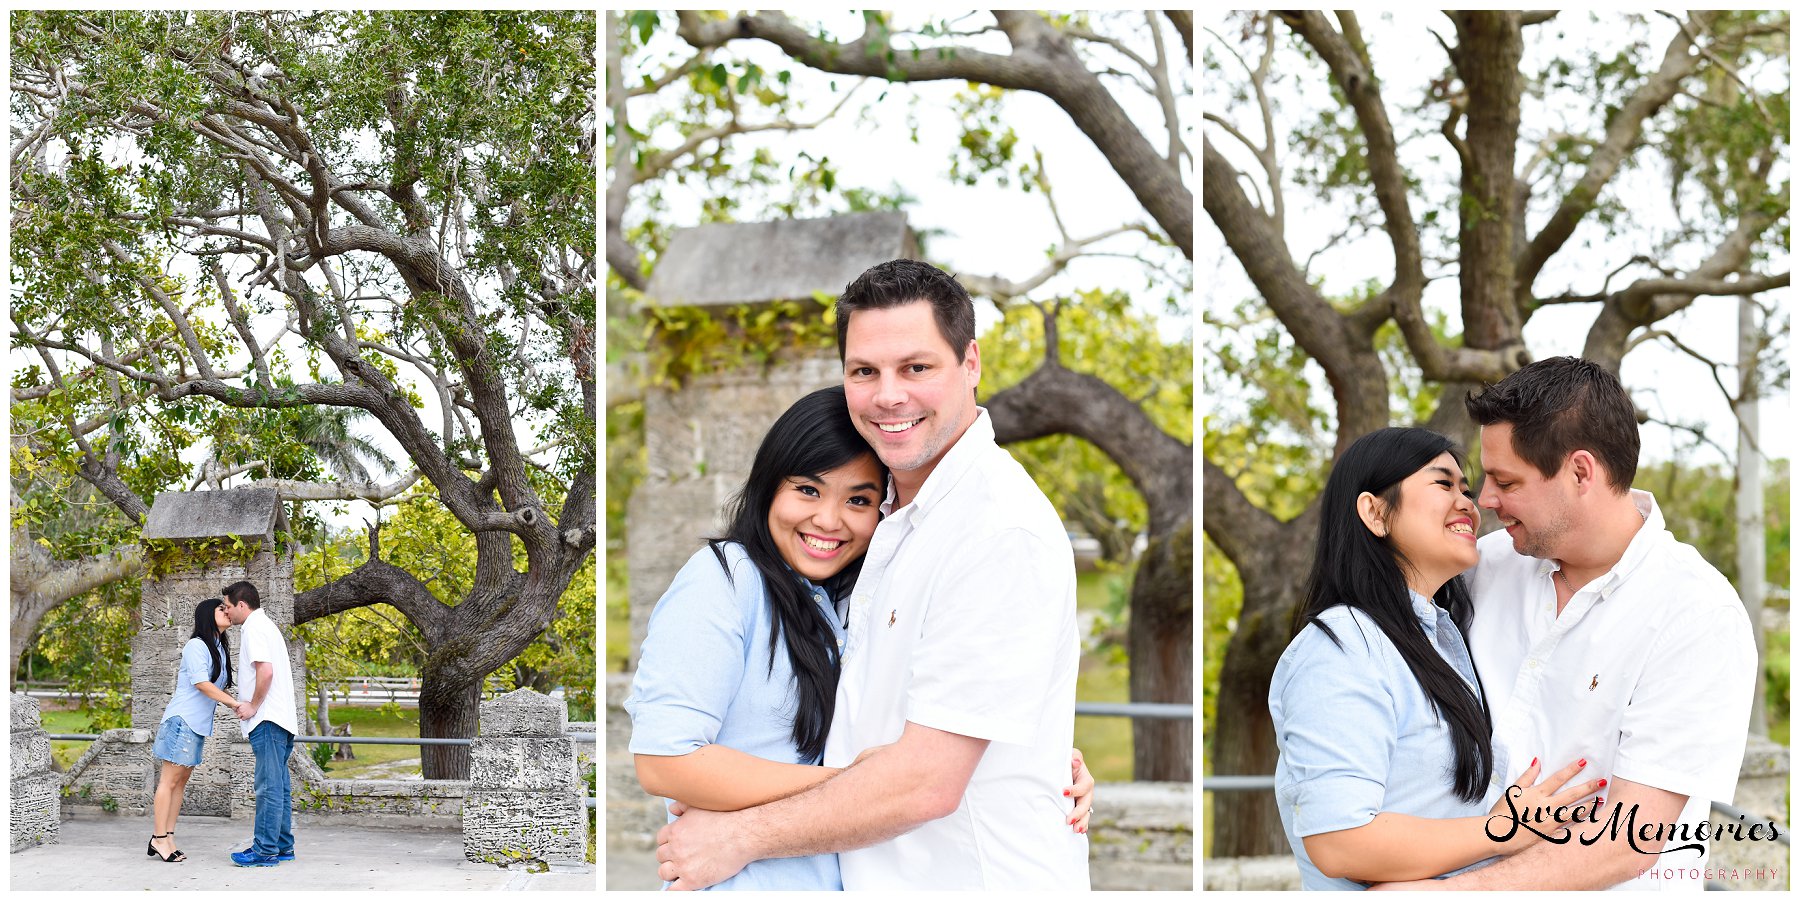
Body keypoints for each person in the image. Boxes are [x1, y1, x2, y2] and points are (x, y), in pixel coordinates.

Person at [655, 259, 1089, 890]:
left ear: (970, 364)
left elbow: (927, 783)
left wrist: (737, 834)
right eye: (866, 371)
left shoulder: (997, 530)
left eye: (916, 367)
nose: (889, 394)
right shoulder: (889, 525)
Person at [1373, 357, 1757, 890]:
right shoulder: (1481, 568)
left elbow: (1629, 838)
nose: (1484, 499)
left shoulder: (1696, 613)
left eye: (1506, 480)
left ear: (1580, 472)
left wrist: (1444, 893)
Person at [1269, 427, 1600, 889]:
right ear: (1375, 511)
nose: (1470, 502)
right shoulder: (1341, 648)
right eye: (1444, 484)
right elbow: (1340, 839)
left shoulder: (1437, 637)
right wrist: (1504, 830)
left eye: (1465, 488)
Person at [146, 599, 239, 863]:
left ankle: (168, 836)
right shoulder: (196, 645)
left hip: (196, 725)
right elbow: (201, 683)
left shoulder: (219, 647)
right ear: (208, 615)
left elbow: (219, 685)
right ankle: (158, 838)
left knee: (180, 783)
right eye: (222, 609)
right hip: (182, 721)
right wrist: (233, 704)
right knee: (169, 781)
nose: (227, 612)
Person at [221, 580, 300, 868]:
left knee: (268, 787)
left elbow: (264, 672)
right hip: (281, 719)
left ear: (242, 605)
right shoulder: (268, 625)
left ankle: (265, 850)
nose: (227, 612)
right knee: (279, 786)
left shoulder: (253, 627)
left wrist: (252, 705)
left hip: (267, 719)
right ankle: (282, 846)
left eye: (228, 607)